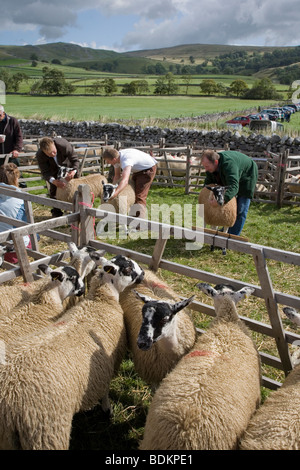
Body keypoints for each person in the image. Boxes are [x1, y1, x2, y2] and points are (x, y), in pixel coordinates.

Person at [201, 149, 258, 236]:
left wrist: (221, 200)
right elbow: (208, 183)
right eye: (204, 166)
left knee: (241, 209)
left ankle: (232, 237)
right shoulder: (211, 168)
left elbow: (234, 186)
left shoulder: (229, 165)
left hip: (247, 176)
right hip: (230, 174)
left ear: (215, 162)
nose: (205, 169)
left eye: (207, 166)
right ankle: (224, 230)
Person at [103, 147, 157, 219]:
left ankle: (139, 225)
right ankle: (132, 219)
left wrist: (115, 194)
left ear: (114, 159)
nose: (107, 163)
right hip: (138, 170)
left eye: (108, 161)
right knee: (133, 192)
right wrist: (113, 189)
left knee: (139, 196)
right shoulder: (116, 159)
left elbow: (125, 181)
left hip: (147, 170)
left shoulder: (126, 160)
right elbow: (117, 176)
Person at [36, 136, 80, 217]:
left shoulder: (64, 145)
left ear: (54, 145)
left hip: (69, 167)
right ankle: (57, 213)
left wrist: (73, 171)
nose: (53, 154)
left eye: (54, 151)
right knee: (54, 192)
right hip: (54, 171)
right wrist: (54, 181)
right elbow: (45, 172)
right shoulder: (40, 155)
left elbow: (75, 160)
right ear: (44, 152)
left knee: (74, 191)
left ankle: (77, 211)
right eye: (49, 154)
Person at [0, 163, 31, 264]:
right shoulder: (22, 199)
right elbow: (27, 226)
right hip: (11, 250)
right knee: (34, 234)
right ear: (15, 178)